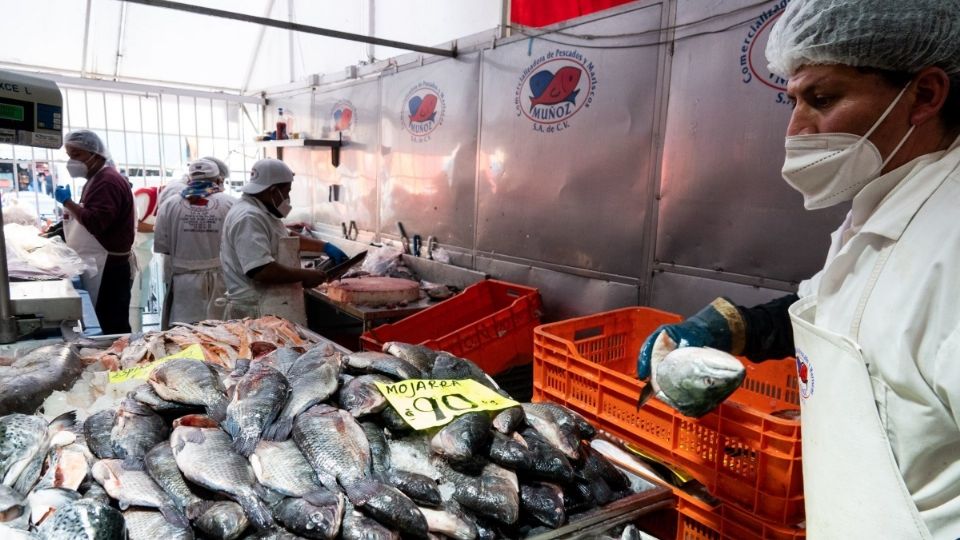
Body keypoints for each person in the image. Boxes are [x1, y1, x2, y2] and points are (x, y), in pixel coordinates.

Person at [636, 1, 960, 538]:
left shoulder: (948, 243)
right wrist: (731, 327)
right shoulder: (881, 207)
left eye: (822, 98)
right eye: (792, 101)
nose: (796, 128)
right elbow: (844, 316)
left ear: (924, 96)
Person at [219, 158, 347, 325]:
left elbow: (285, 235)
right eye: (287, 191)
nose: (287, 197)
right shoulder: (248, 217)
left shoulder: (261, 210)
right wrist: (305, 276)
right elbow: (261, 270)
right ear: (273, 191)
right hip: (257, 312)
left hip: (270, 306)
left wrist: (325, 247)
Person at [55, 130, 136, 335]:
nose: (71, 162)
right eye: (69, 156)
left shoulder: (107, 181)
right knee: (107, 322)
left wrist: (67, 202)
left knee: (113, 328)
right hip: (100, 263)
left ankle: (120, 364)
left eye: (77, 155)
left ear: (95, 154)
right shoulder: (96, 179)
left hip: (108, 266)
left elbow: (96, 222)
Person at [154, 159, 236, 328]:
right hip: (222, 281)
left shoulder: (169, 205)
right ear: (219, 180)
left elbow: (164, 247)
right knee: (219, 336)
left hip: (185, 284)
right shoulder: (231, 204)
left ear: (190, 180)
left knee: (185, 335)